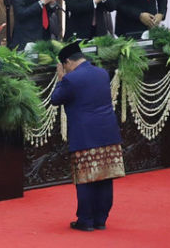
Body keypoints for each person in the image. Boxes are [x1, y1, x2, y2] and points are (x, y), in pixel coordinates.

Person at [50, 41, 125, 232]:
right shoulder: (101, 73)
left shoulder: (71, 79)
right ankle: (101, 220)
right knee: (105, 177)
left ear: (67, 62)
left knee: (85, 179)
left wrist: (60, 79)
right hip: (108, 132)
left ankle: (86, 220)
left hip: (85, 136)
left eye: (64, 66)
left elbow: (55, 99)